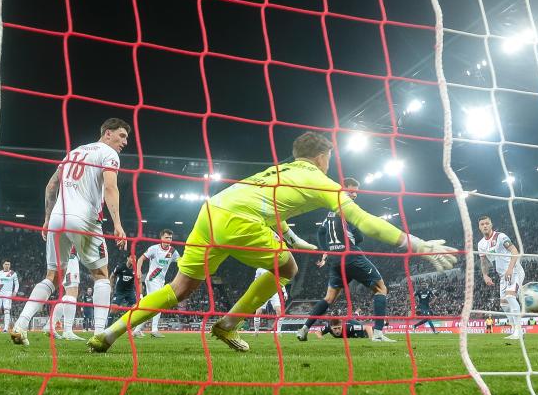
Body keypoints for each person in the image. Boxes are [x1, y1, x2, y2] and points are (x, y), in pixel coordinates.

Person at [89, 132, 456, 353]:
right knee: (288, 268)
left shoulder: (278, 171)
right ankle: (228, 324)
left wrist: (296, 238)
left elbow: (275, 211)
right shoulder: (322, 181)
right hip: (239, 221)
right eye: (330, 156)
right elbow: (362, 219)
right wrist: (418, 245)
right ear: (322, 156)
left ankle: (109, 333)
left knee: (180, 288)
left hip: (210, 211)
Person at [10, 118, 130, 347]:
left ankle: (20, 325)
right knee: (101, 275)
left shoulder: (73, 152)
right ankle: (100, 334)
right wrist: (117, 223)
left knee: (52, 277)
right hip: (84, 218)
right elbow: (110, 187)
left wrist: (46, 219)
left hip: (57, 218)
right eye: (122, 135)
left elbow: (51, 186)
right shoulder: (108, 153)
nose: (124, 142)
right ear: (107, 133)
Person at [296, 177, 396, 343]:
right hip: (351, 257)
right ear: (343, 189)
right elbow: (359, 236)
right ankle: (378, 333)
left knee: (329, 298)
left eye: (356, 191)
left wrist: (326, 251)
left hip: (335, 261)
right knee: (381, 289)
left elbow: (320, 232)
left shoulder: (329, 212)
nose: (354, 194)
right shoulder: (348, 209)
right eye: (351, 190)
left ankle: (304, 328)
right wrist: (354, 238)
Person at [478, 215, 525, 340]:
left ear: (491, 224)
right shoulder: (481, 244)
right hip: (503, 276)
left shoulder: (501, 236)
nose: (485, 226)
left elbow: (514, 251)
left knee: (510, 296)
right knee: (504, 305)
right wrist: (485, 275)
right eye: (482, 224)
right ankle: (515, 330)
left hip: (514, 271)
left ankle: (519, 332)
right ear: (479, 227)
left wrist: (510, 269)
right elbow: (484, 262)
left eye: (487, 223)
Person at [132, 229, 180, 338]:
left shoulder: (172, 251)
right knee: (158, 303)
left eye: (170, 238)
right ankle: (154, 329)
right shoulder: (154, 249)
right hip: (152, 279)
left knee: (151, 307)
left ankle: (137, 330)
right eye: (167, 237)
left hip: (161, 281)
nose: (169, 240)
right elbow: (140, 259)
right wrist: (138, 271)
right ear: (161, 238)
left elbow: (180, 262)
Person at [42, 246, 84, 340]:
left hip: (63, 258)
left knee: (68, 294)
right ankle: (68, 331)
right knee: (72, 292)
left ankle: (50, 326)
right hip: (70, 258)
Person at [253, 268, 288, 336]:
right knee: (258, 312)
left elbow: (280, 281)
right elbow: (256, 281)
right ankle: (256, 332)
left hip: (273, 292)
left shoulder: (275, 268)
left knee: (279, 312)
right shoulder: (259, 269)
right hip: (263, 293)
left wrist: (285, 292)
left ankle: (278, 332)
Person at [0, 260, 19, 333]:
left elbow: (17, 284)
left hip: (8, 294)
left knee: (6, 311)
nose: (7, 265)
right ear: (3, 265)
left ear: (10, 265)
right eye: (6, 264)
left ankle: (5, 328)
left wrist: (15, 292)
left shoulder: (13, 273)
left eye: (8, 264)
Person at [109, 256, 138, 326]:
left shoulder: (136, 269)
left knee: (135, 308)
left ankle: (131, 326)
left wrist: (138, 293)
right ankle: (107, 326)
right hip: (119, 291)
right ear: (127, 258)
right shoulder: (120, 267)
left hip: (130, 291)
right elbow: (112, 276)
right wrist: (111, 288)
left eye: (135, 258)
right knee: (113, 309)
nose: (133, 259)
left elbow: (137, 281)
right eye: (131, 258)